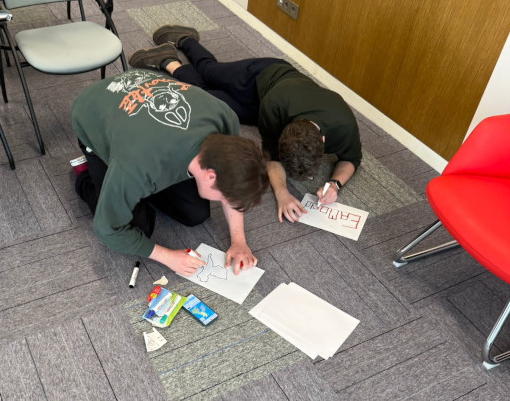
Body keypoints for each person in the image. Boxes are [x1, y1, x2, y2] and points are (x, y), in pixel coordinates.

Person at [129, 25, 362, 224]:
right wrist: (282, 192)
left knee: (210, 97)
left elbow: (351, 159)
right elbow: (272, 158)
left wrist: (335, 184)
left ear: (323, 140)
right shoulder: (276, 109)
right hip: (262, 76)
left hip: (277, 97)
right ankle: (182, 41)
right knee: (209, 76)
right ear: (284, 131)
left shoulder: (344, 126)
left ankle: (168, 59)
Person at [71, 69, 269, 276]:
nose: (225, 202)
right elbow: (107, 230)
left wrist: (239, 241)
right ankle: (84, 176)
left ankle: (139, 189)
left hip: (145, 128)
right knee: (138, 228)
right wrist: (168, 257)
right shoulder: (137, 164)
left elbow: (233, 183)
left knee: (195, 214)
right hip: (93, 111)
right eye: (225, 197)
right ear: (211, 176)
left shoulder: (226, 122)